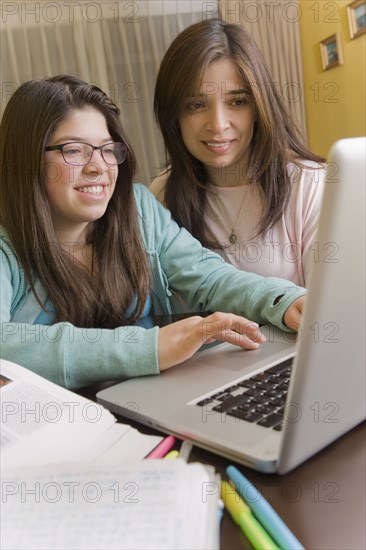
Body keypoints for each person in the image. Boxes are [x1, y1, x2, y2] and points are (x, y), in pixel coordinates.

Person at [0, 75, 305, 390]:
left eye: (107, 149)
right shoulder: (5, 245)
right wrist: (153, 348)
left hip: (152, 398)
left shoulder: (137, 207)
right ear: (27, 159)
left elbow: (207, 275)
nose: (98, 167)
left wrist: (282, 299)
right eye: (74, 151)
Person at [151, 19, 326, 287]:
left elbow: (328, 308)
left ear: (259, 108)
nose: (218, 124)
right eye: (197, 104)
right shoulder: (162, 194)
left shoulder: (309, 184)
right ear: (174, 115)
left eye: (238, 102)